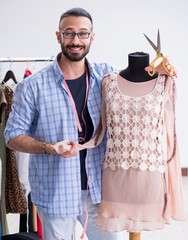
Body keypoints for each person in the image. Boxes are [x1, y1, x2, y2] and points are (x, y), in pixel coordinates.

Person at [3, 8, 176, 240]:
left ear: (92, 37)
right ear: (58, 36)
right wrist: (49, 148)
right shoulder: (32, 86)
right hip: (55, 191)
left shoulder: (108, 78)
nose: (76, 40)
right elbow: (12, 136)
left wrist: (157, 73)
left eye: (83, 34)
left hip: (99, 191)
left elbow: (137, 85)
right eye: (69, 33)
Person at [75, 52, 184, 240]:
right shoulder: (108, 82)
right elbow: (100, 130)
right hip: (115, 176)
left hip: (150, 176)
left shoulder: (166, 83)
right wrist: (78, 146)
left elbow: (170, 136)